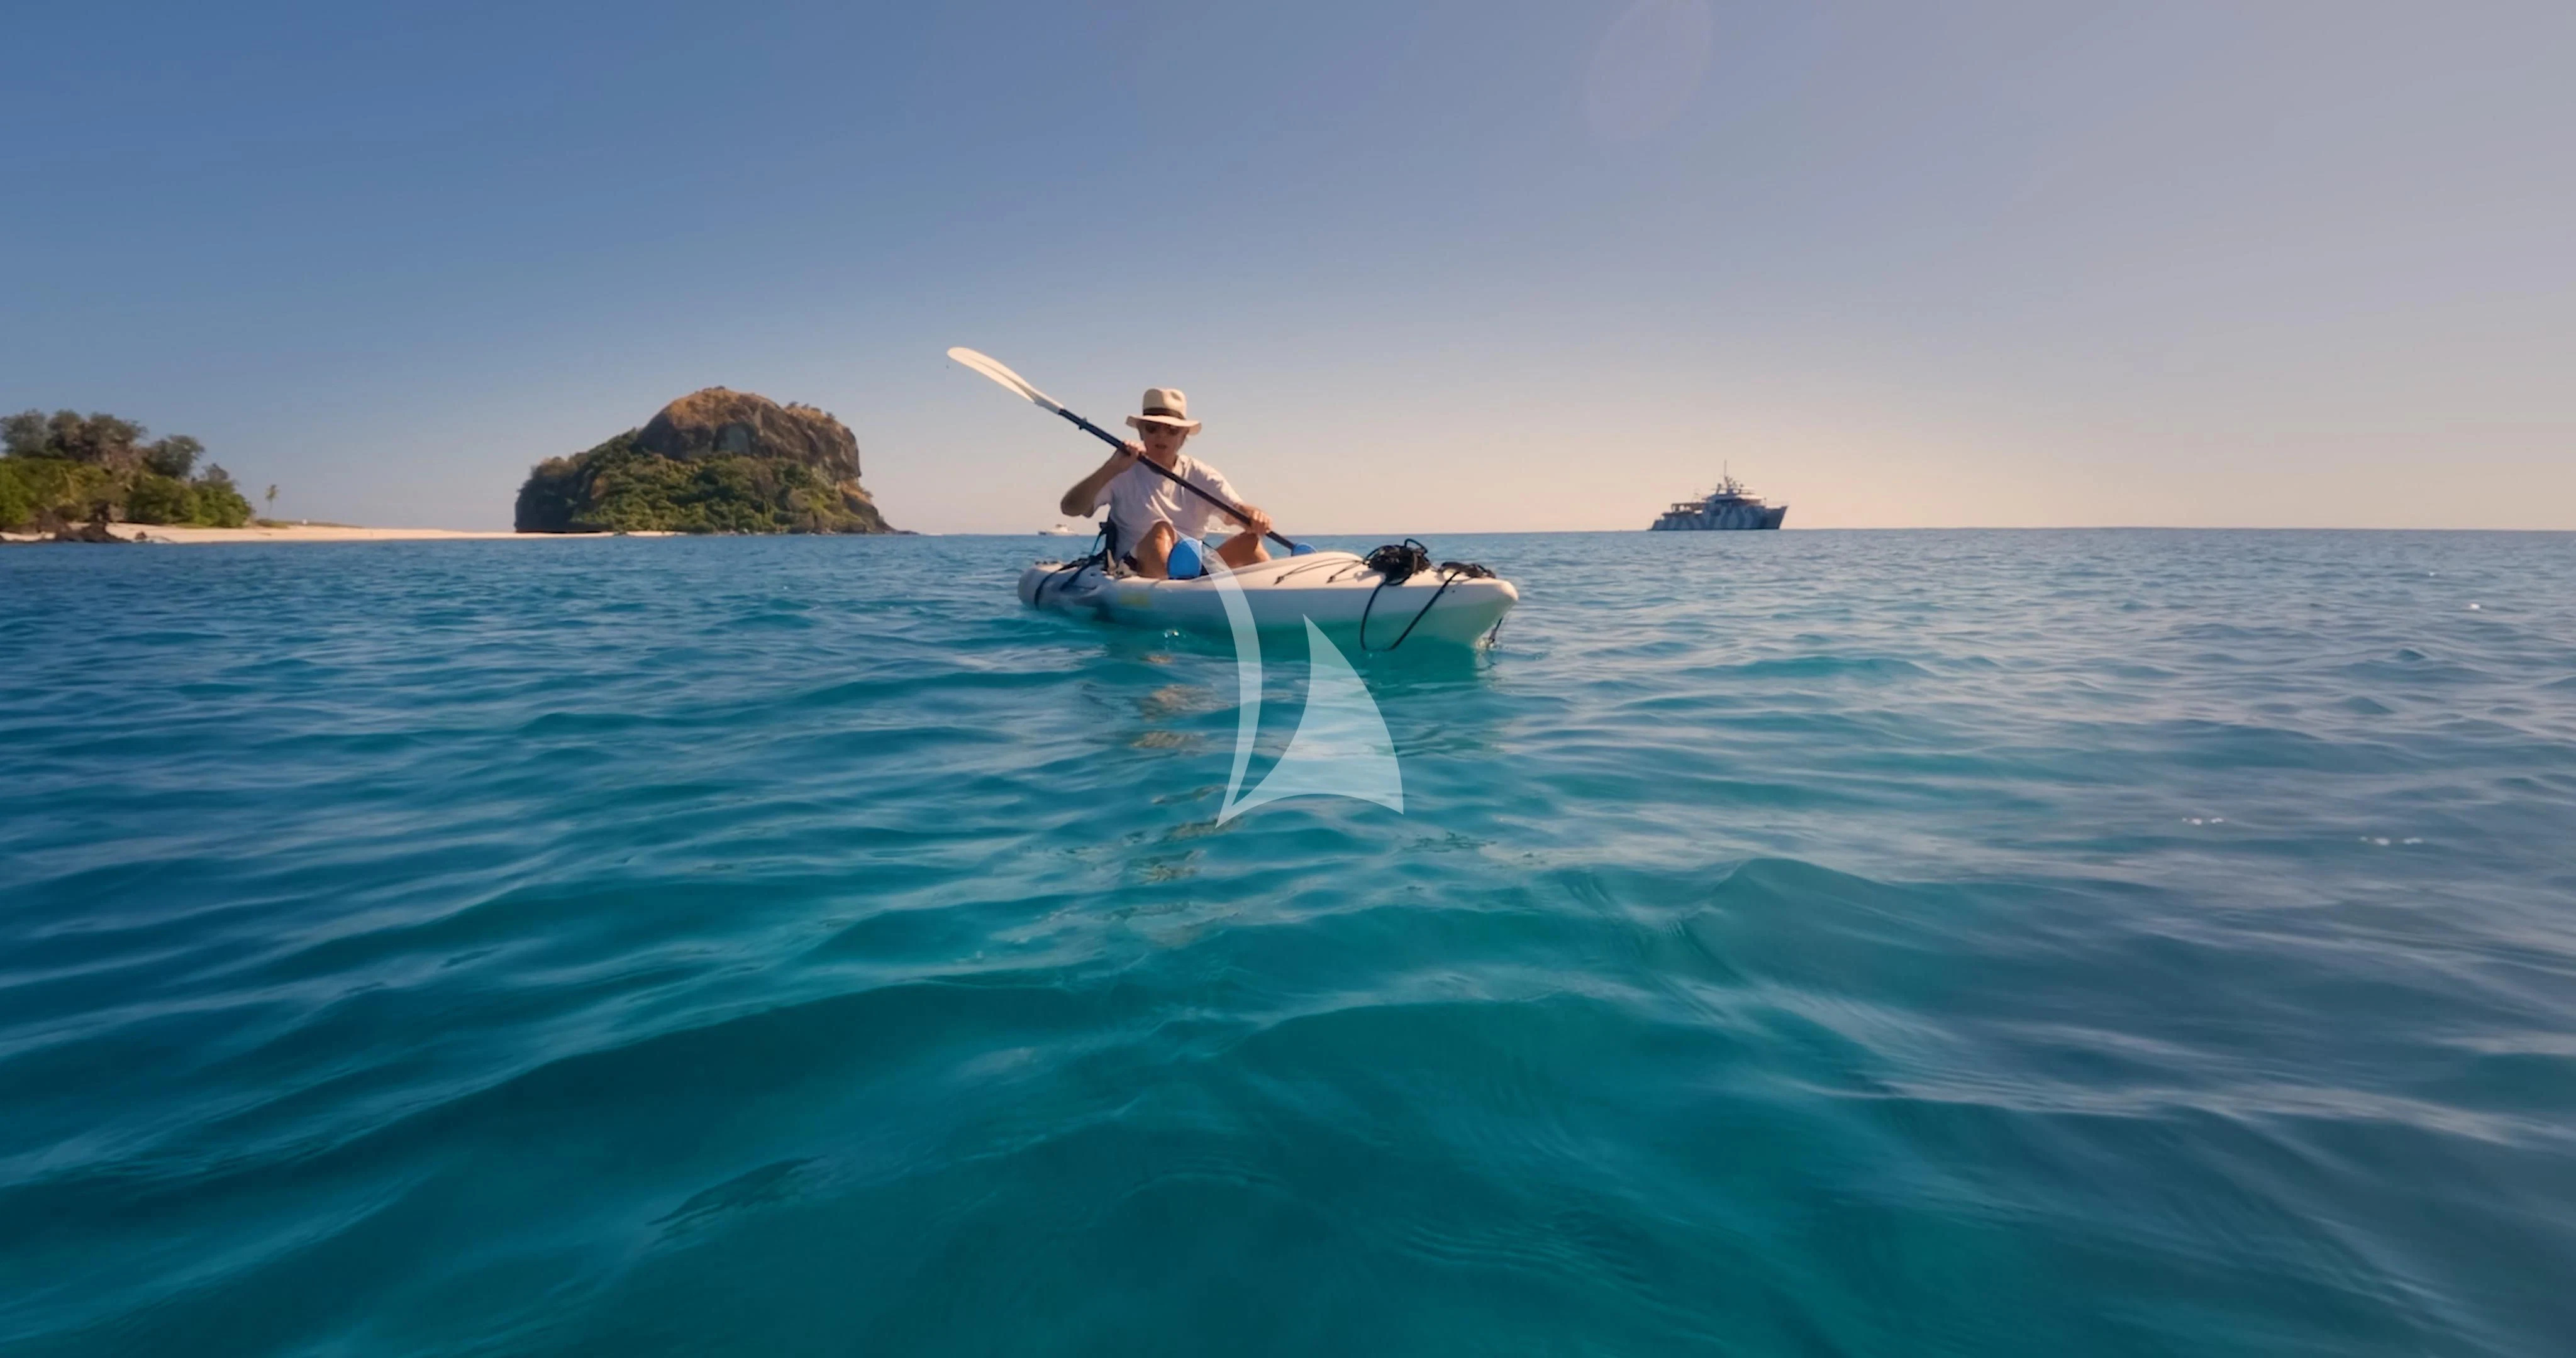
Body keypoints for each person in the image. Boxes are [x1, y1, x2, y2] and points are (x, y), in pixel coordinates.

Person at [1058, 387, 1271, 579]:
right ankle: (1176, 591)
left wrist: (1254, 516)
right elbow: (1070, 509)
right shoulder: (1121, 470)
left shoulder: (1202, 474)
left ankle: (1278, 600)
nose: (1162, 436)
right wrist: (1111, 467)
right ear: (1140, 431)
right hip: (1134, 570)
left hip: (1196, 568)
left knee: (1250, 543)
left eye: (1172, 430)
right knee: (1162, 530)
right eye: (1152, 428)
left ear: (1184, 436)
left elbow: (1238, 511)